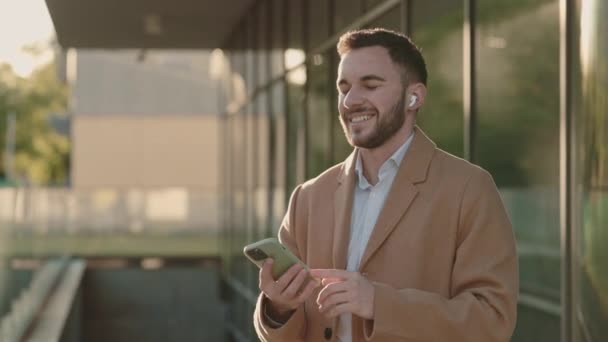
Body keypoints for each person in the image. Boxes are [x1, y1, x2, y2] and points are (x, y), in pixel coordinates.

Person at [253, 28, 518, 342]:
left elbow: (493, 319)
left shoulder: (469, 188)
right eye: (344, 87)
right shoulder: (309, 197)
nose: (350, 100)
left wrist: (379, 304)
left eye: (370, 84)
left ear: (414, 96)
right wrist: (278, 307)